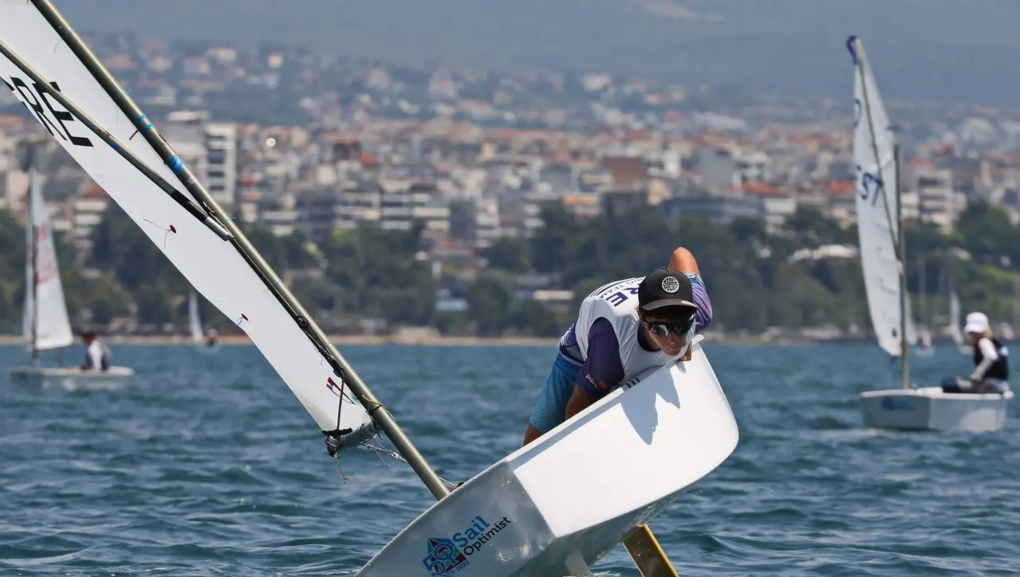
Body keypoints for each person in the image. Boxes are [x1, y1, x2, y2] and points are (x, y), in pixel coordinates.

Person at [523, 247, 712, 446]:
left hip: (630, 334)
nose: (674, 339)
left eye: (681, 327)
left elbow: (680, 254)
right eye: (662, 330)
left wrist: (684, 334)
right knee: (542, 433)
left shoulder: (701, 311)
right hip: (581, 348)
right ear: (642, 318)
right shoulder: (608, 350)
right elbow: (574, 412)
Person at [947, 312, 1010, 394]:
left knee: (948, 384)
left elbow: (991, 357)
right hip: (1000, 385)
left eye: (975, 333)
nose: (974, 335)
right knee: (956, 383)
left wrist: (976, 375)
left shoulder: (983, 341)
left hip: (993, 386)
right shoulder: (995, 343)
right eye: (972, 333)